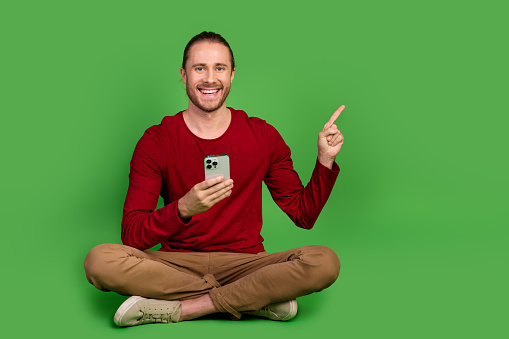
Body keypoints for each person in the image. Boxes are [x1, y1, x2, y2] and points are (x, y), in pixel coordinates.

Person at [84, 31, 345, 326]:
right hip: (176, 264)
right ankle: (252, 300)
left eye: (219, 68)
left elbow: (303, 214)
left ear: (232, 75)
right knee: (99, 260)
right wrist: (183, 208)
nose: (210, 79)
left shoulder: (263, 136)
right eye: (199, 68)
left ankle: (186, 308)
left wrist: (326, 159)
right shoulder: (156, 140)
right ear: (183, 75)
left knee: (323, 262)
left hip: (246, 263)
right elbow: (132, 235)